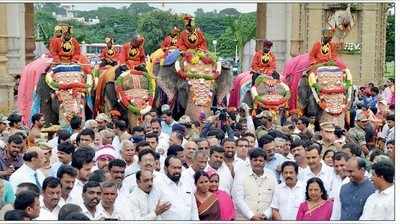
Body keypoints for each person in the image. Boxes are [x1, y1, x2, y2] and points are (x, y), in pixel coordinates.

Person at [148, 156, 199, 220]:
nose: (177, 171)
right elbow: (152, 210)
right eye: (174, 168)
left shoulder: (187, 183)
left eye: (179, 168)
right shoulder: (157, 185)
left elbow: (193, 209)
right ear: (165, 169)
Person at [232, 148, 277, 220]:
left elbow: (275, 198)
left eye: (260, 160)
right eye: (255, 160)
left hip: (264, 219)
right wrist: (251, 215)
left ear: (265, 162)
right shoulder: (241, 174)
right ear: (250, 161)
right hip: (244, 219)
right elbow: (238, 198)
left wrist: (266, 215)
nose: (258, 163)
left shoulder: (272, 175)